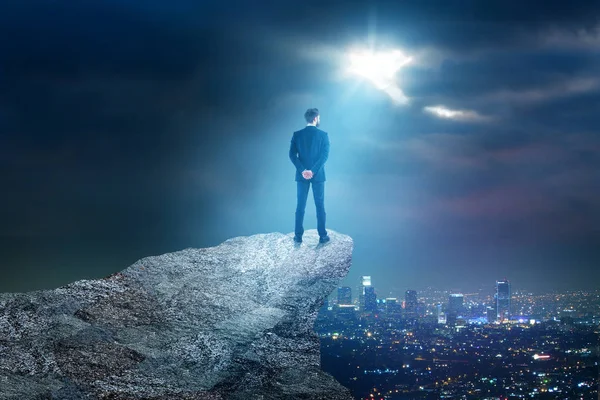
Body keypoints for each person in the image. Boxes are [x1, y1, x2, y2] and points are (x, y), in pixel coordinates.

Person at [289, 108, 330, 244]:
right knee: (320, 206)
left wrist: (303, 170)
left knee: (300, 206)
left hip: (301, 176)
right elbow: (324, 156)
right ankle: (323, 236)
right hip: (318, 176)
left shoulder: (297, 134)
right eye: (319, 117)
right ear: (316, 118)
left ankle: (298, 236)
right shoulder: (323, 135)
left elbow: (292, 155)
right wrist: (312, 171)